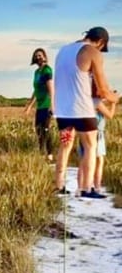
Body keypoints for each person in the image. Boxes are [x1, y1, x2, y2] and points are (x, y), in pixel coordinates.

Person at [53, 27, 119, 197]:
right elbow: (103, 90)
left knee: (65, 145)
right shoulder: (92, 52)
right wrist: (115, 99)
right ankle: (86, 188)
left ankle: (59, 185)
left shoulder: (63, 50)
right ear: (101, 42)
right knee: (91, 146)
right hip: (82, 109)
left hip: (62, 109)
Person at [25, 48, 55, 158]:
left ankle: (50, 154)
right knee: (38, 129)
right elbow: (36, 90)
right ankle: (41, 152)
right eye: (36, 56)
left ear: (44, 57)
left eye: (40, 55)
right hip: (40, 105)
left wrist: (52, 104)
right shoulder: (37, 72)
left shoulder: (47, 70)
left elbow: (51, 88)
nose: (38, 57)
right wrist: (29, 106)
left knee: (46, 129)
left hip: (47, 103)